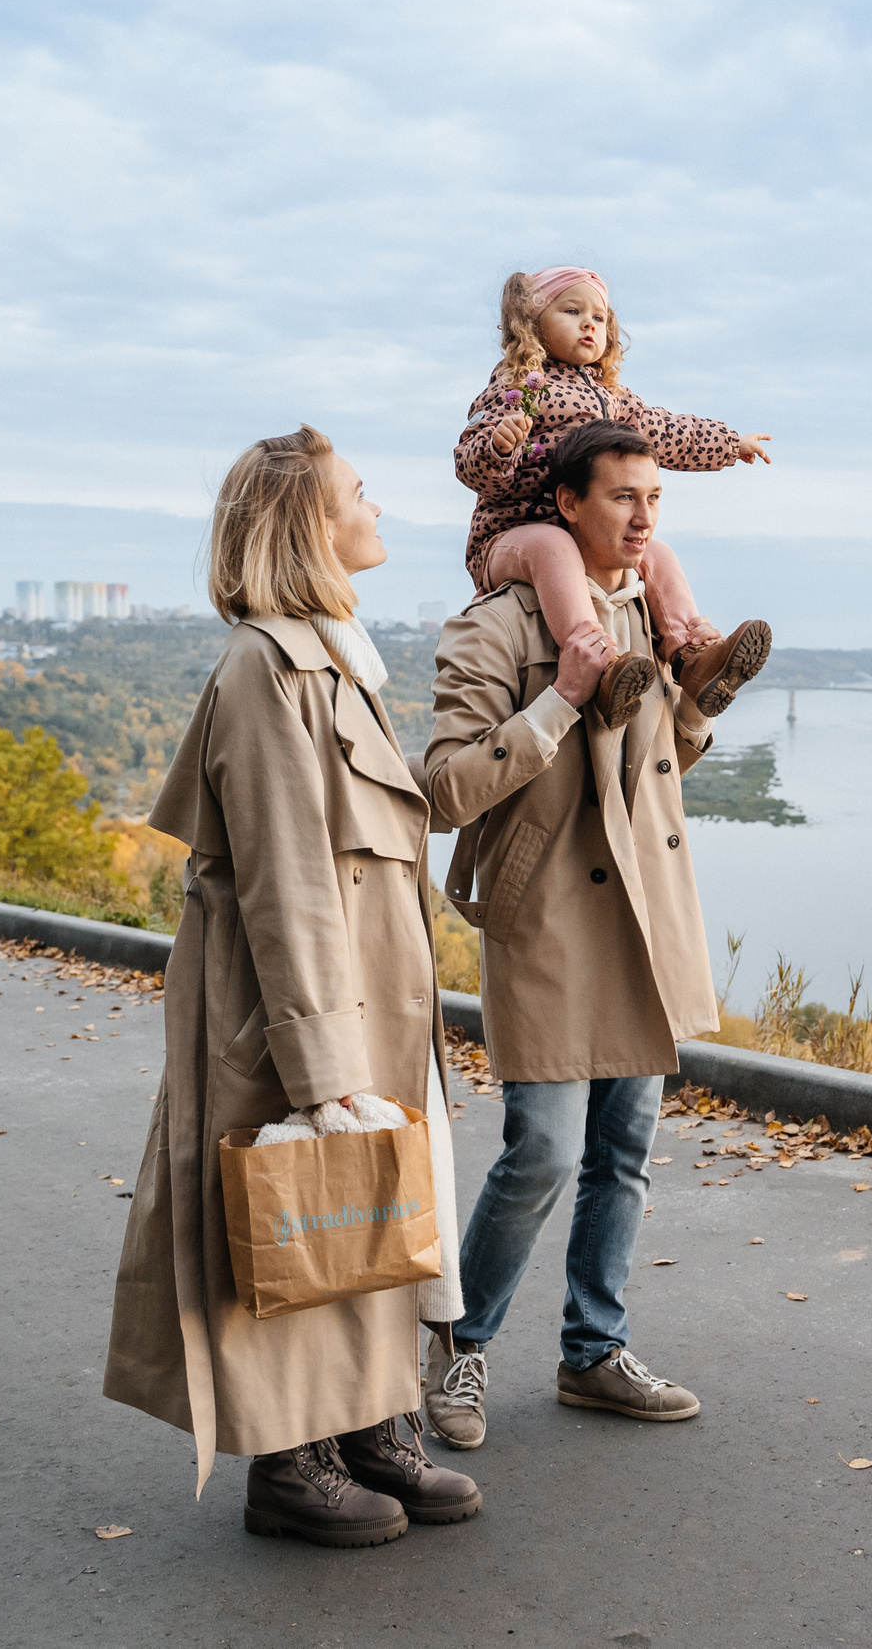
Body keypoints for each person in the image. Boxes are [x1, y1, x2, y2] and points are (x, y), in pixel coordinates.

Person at [103, 424, 481, 1548]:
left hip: (367, 1005)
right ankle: (289, 1461)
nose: (379, 510)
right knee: (290, 1229)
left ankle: (368, 1424)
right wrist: (323, 1070)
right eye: (361, 494)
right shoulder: (266, 671)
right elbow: (284, 880)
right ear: (311, 526)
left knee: (360, 1222)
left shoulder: (331, 658)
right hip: (296, 1015)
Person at [416, 419, 723, 1448]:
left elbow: (665, 763)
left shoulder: (643, 613)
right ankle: (460, 1346)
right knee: (541, 1151)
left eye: (655, 500)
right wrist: (561, 699)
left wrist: (696, 700)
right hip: (545, 915)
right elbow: (444, 789)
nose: (644, 519)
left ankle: (593, 1352)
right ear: (566, 505)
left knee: (624, 1146)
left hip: (640, 911)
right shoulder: (495, 627)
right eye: (623, 498)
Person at [454, 264, 774, 728]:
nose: (590, 324)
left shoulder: (611, 397)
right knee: (553, 545)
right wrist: (500, 445)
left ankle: (693, 658)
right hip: (513, 536)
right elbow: (471, 464)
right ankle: (599, 666)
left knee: (657, 554)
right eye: (572, 310)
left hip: (587, 536)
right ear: (532, 322)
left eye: (600, 318)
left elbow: (666, 432)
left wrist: (729, 443)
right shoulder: (519, 385)